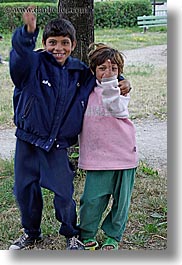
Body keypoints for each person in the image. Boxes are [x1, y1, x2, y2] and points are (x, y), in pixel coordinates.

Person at [9, 7, 131, 250]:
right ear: (44, 43)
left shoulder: (79, 72)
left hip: (57, 145)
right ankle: (31, 232)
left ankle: (70, 234)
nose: (58, 48)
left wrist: (121, 81)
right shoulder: (32, 65)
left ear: (73, 44)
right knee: (25, 190)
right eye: (52, 42)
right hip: (28, 141)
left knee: (64, 194)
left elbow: (101, 76)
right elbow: (19, 56)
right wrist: (27, 33)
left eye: (65, 43)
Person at [78, 43, 138, 250]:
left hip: (124, 153)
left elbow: (116, 108)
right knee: (91, 200)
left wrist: (116, 82)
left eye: (113, 68)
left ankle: (114, 234)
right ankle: (86, 232)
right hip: (96, 156)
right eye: (102, 68)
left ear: (120, 71)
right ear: (93, 69)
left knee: (121, 202)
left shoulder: (121, 91)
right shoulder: (85, 90)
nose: (108, 73)